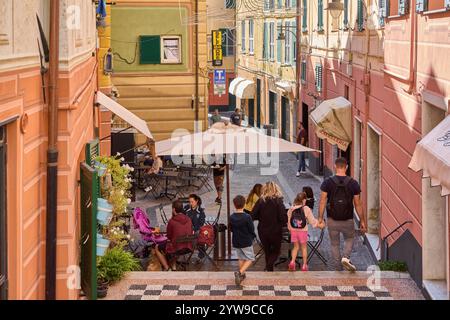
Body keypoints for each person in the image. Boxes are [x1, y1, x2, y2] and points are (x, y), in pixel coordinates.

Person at [318, 157, 367, 272]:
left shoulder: (327, 182)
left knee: (334, 244)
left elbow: (322, 201)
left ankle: (338, 267)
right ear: (347, 167)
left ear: (335, 166)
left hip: (332, 219)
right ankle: (346, 257)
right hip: (347, 219)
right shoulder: (353, 183)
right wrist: (363, 221)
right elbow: (358, 204)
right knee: (350, 238)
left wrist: (320, 218)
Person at [251, 182, 287, 272]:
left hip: (262, 230)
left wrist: (261, 217)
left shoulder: (260, 201)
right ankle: (269, 266)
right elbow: (283, 218)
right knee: (276, 251)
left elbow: (252, 215)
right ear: (276, 189)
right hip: (275, 230)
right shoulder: (278, 201)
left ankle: (269, 270)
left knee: (267, 251)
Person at [153, 200, 193, 271]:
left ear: (174, 209)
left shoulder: (172, 221)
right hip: (188, 247)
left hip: (177, 248)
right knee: (174, 244)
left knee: (157, 247)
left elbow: (169, 236)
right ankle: (173, 266)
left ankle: (167, 267)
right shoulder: (189, 219)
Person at [287, 192, 321, 272]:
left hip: (294, 230)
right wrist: (319, 224)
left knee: (295, 247)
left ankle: (292, 262)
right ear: (304, 200)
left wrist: (290, 229)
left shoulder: (291, 208)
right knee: (304, 248)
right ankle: (304, 266)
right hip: (303, 231)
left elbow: (288, 221)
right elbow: (312, 221)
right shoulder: (306, 209)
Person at [230, 195, 257, 286]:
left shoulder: (232, 217)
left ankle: (241, 275)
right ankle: (240, 272)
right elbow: (251, 229)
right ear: (244, 204)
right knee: (250, 258)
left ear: (234, 205)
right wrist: (253, 237)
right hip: (246, 240)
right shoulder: (247, 217)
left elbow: (231, 229)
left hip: (236, 240)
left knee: (241, 257)